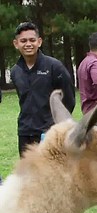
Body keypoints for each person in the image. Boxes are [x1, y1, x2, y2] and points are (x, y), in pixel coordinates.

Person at [11, 22, 75, 157]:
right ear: (16, 44)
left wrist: (57, 126)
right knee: (28, 174)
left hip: (49, 132)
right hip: (25, 132)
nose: (28, 44)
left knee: (51, 173)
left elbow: (69, 99)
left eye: (32, 40)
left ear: (39, 42)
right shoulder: (15, 71)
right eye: (23, 41)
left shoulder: (54, 67)